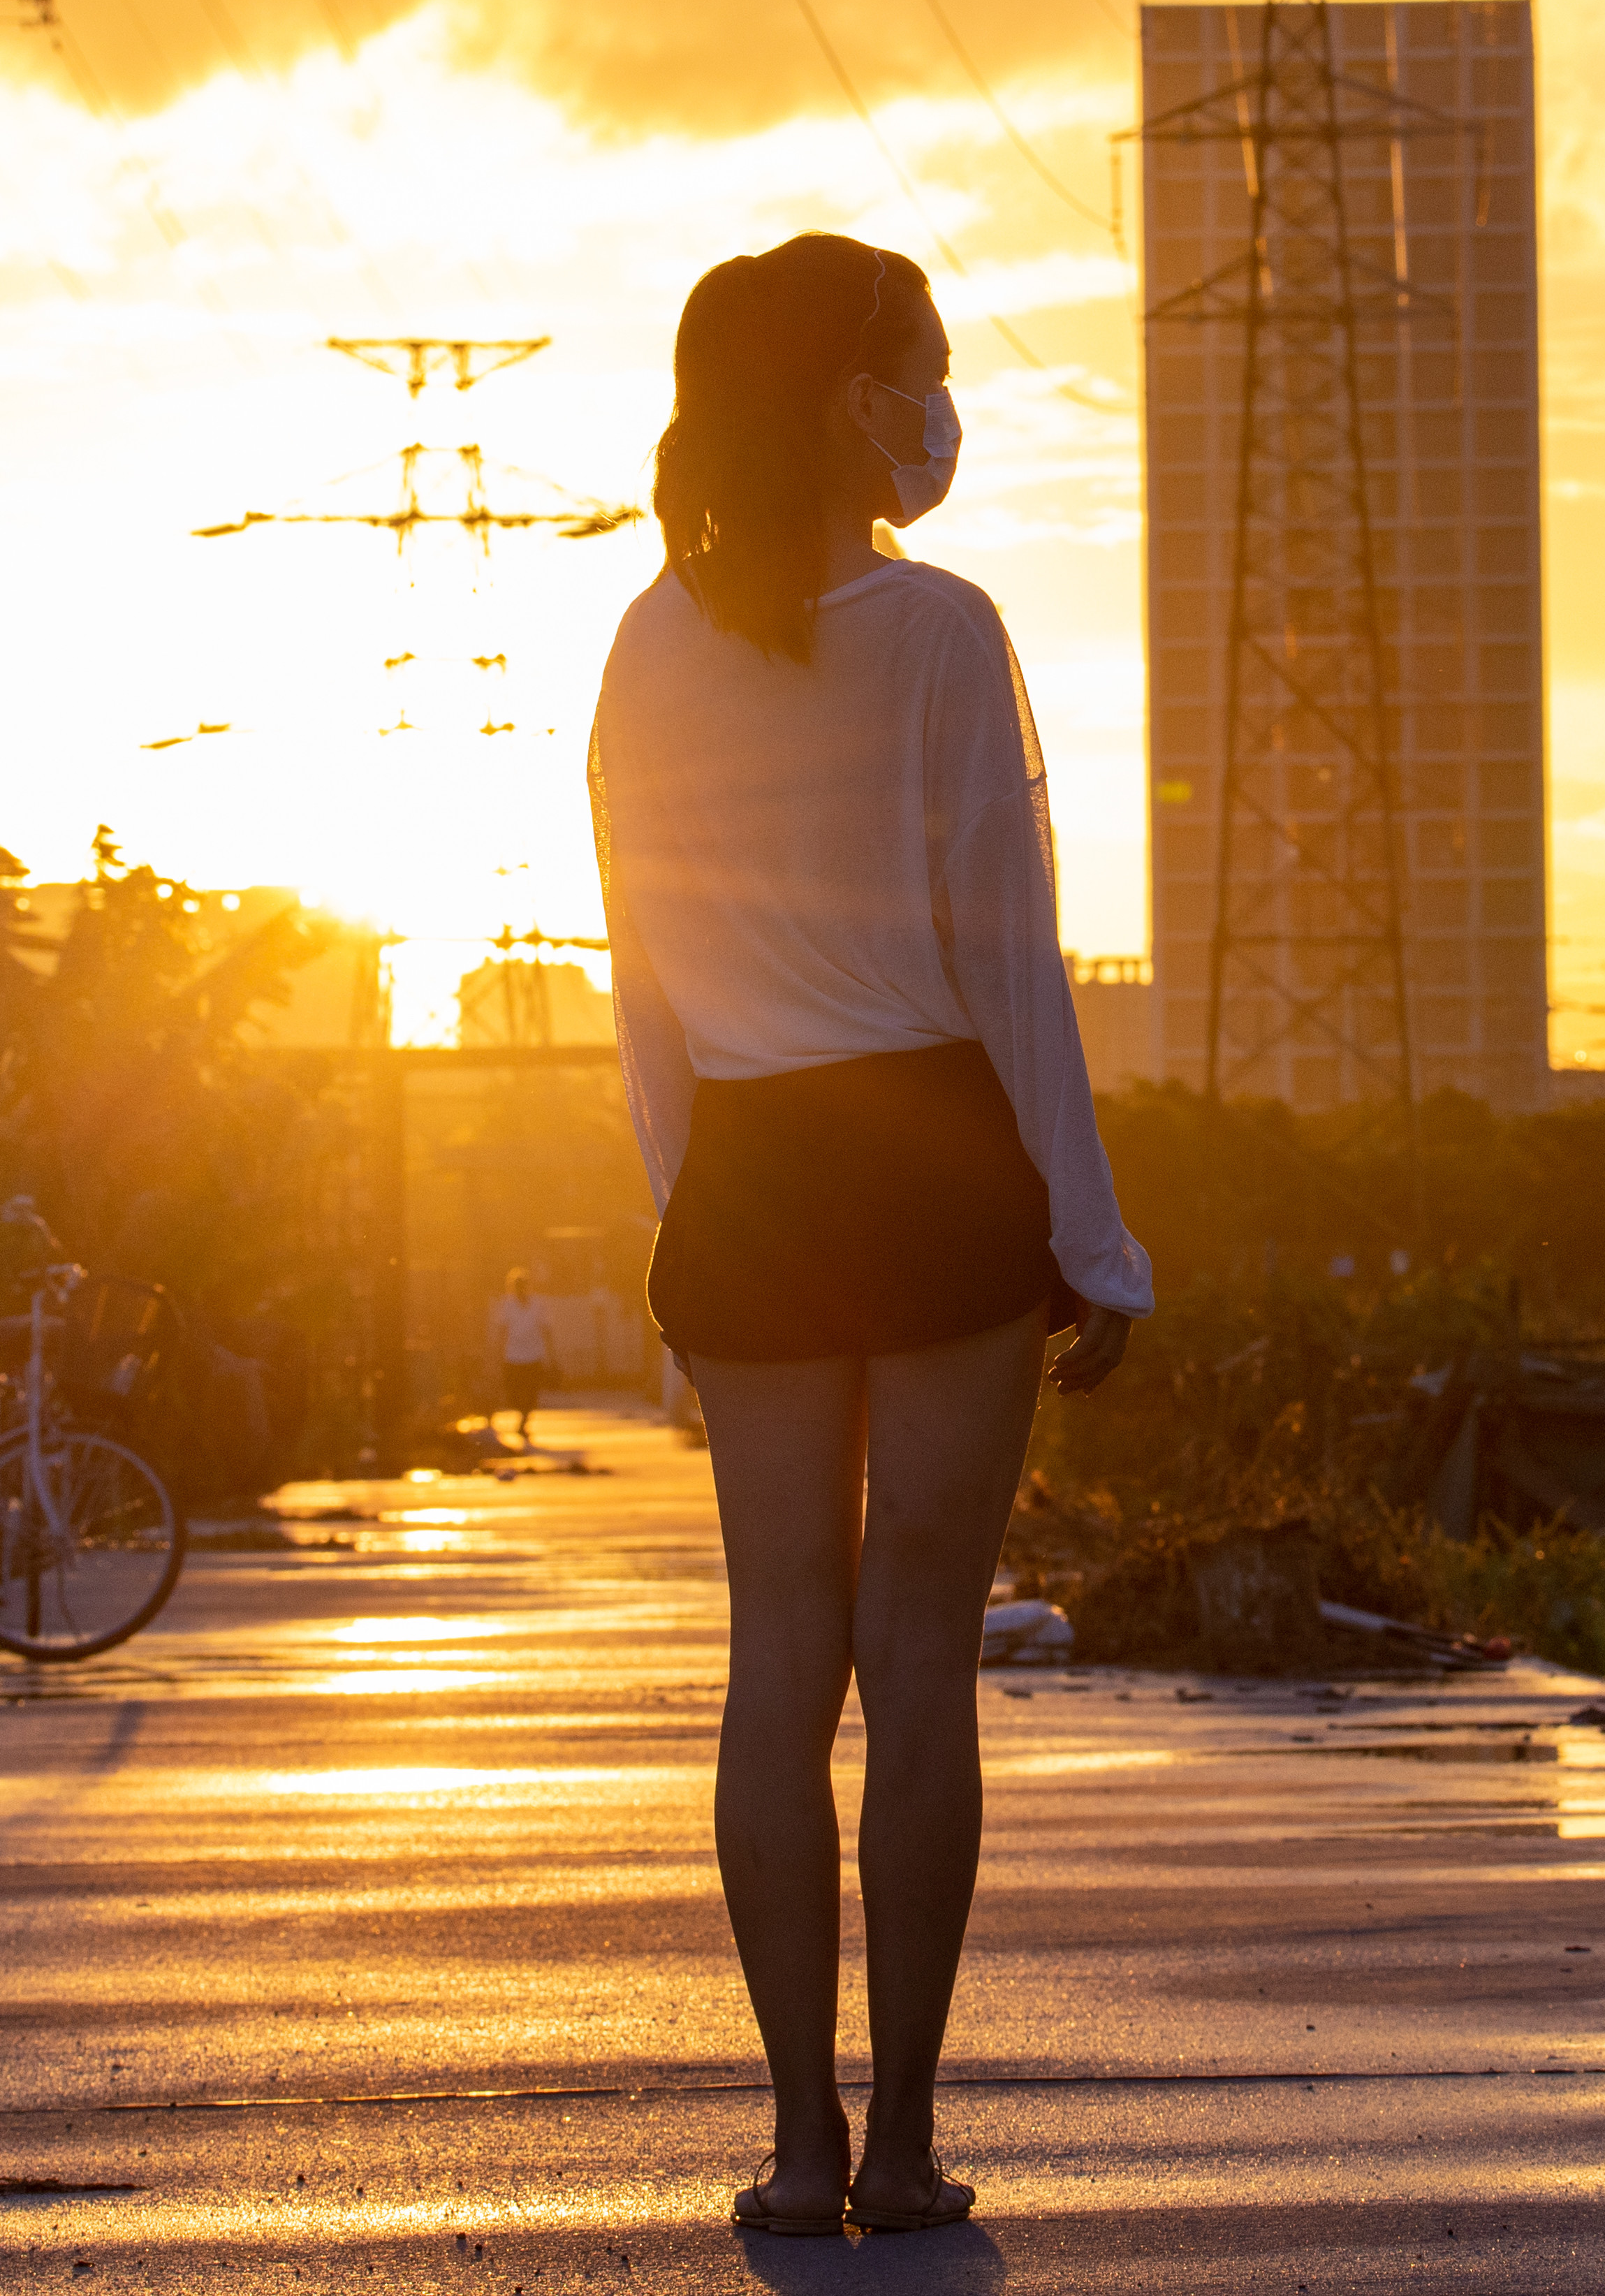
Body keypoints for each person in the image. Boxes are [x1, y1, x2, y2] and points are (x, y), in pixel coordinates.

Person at [588, 232, 1148, 2239]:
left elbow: (638, 978)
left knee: (776, 1662)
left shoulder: (649, 643)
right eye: (918, 367)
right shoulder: (943, 635)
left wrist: (694, 1218)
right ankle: (903, 2147)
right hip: (934, 1155)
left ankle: (795, 2137)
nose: (937, 404)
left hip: (748, 1171)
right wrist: (1095, 1235)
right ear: (851, 400)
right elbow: (1014, 966)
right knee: (920, 1658)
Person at [488, 1267, 558, 1450]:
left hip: (534, 1355)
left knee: (531, 1393)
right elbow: (502, 1330)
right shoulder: (507, 1305)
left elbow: (546, 1330)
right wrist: (496, 1355)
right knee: (515, 1393)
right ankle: (521, 1416)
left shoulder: (538, 1304)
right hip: (513, 1356)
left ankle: (523, 1422)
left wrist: (552, 1356)